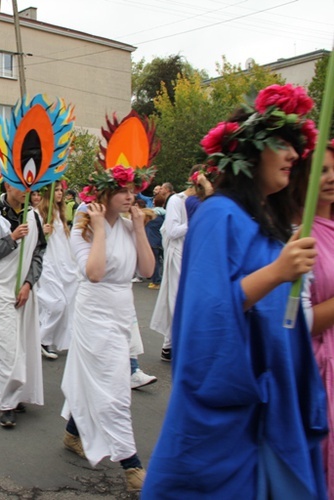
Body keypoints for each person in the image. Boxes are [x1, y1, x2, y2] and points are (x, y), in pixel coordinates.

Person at [142, 83, 327, 498]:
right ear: (249, 150)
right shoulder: (218, 214)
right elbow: (206, 318)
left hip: (273, 399)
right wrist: (278, 272)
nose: (294, 155)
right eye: (282, 143)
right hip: (232, 410)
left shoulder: (269, 219)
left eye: (297, 147)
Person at [61, 165, 154, 493]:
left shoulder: (132, 225)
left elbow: (146, 270)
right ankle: (131, 466)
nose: (131, 196)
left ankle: (73, 432)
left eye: (133, 190)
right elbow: (95, 273)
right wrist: (100, 229)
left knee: (98, 380)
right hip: (93, 313)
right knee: (114, 387)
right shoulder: (82, 227)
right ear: (104, 193)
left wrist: (140, 229)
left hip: (121, 312)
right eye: (122, 190)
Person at [0, 182, 46, 428]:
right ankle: (6, 403)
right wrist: (12, 239)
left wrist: (28, 283)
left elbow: (39, 252)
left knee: (24, 343)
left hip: (24, 290)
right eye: (21, 184)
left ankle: (19, 395)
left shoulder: (33, 215)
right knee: (7, 345)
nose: (27, 190)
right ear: (8, 183)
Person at [293, 140, 334, 495]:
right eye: (322, 169)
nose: (332, 178)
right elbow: (297, 322)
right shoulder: (299, 235)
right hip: (317, 368)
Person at [149, 174, 190, 362]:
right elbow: (172, 231)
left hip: (192, 255)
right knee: (175, 300)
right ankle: (172, 345)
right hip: (177, 255)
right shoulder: (176, 200)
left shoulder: (204, 200)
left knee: (182, 301)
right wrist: (195, 222)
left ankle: (171, 345)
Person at [36, 181, 77, 359]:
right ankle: (41, 339)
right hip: (46, 263)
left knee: (64, 302)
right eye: (57, 190)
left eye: (61, 190)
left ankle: (46, 339)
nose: (60, 193)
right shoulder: (38, 213)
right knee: (56, 303)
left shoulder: (60, 214)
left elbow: (64, 242)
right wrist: (41, 232)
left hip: (61, 264)